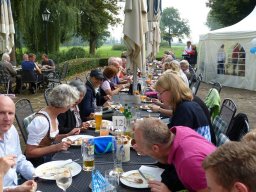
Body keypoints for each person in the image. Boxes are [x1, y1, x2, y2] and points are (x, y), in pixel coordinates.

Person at [133, 118, 216, 192]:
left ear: (155, 148)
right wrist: (145, 149)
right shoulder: (180, 131)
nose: (136, 146)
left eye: (138, 143)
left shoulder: (188, 162)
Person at [25, 84, 81, 166]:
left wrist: (67, 135)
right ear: (64, 104)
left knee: (78, 156)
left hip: (50, 156)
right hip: (39, 163)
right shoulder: (41, 121)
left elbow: (52, 138)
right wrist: (55, 147)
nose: (72, 106)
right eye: (71, 104)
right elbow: (29, 153)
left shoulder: (54, 114)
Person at [154, 72, 212, 142]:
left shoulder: (185, 109)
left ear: (172, 91)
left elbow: (175, 141)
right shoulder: (184, 104)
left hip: (200, 151)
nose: (159, 97)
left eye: (160, 93)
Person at [0, 95, 36, 191]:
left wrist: (36, 175)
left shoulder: (11, 130)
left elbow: (19, 160)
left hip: (17, 184)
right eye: (1, 113)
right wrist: (16, 189)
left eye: (11, 113)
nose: (7, 118)